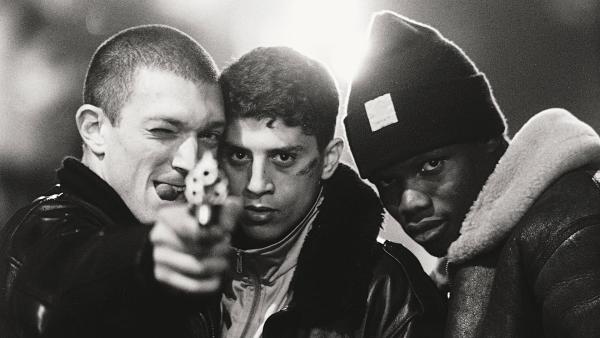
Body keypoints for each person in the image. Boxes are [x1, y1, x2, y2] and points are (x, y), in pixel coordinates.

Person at [344, 10, 600, 337]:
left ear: (488, 141)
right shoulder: (456, 271)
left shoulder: (565, 228)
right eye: (388, 181)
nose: (409, 202)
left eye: (431, 165)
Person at [0, 25, 241, 337]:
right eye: (163, 131)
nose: (191, 160)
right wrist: (146, 257)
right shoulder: (44, 231)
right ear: (94, 129)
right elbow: (62, 280)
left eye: (209, 135)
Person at [212, 46, 446, 337]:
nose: (256, 184)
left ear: (329, 159)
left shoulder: (392, 296)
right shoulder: (165, 272)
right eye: (239, 156)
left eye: (283, 158)